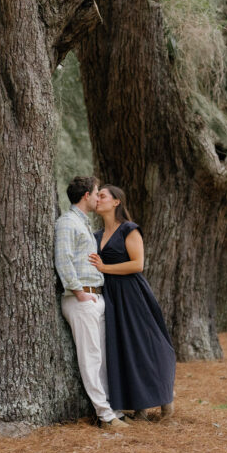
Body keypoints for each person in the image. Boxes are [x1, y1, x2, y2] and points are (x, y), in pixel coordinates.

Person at [89, 185, 176, 421]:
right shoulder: (96, 236)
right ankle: (139, 407)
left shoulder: (129, 229)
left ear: (116, 201)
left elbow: (138, 264)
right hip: (110, 297)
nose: (98, 199)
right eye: (97, 196)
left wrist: (104, 268)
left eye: (103, 196)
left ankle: (165, 399)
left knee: (147, 344)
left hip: (132, 293)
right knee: (123, 348)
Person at [54, 176, 129, 431]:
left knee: (103, 358)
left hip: (96, 297)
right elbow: (63, 260)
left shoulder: (84, 223)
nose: (99, 198)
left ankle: (114, 409)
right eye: (97, 193)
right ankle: (105, 415)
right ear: (86, 195)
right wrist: (79, 292)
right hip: (82, 299)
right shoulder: (67, 223)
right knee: (91, 358)